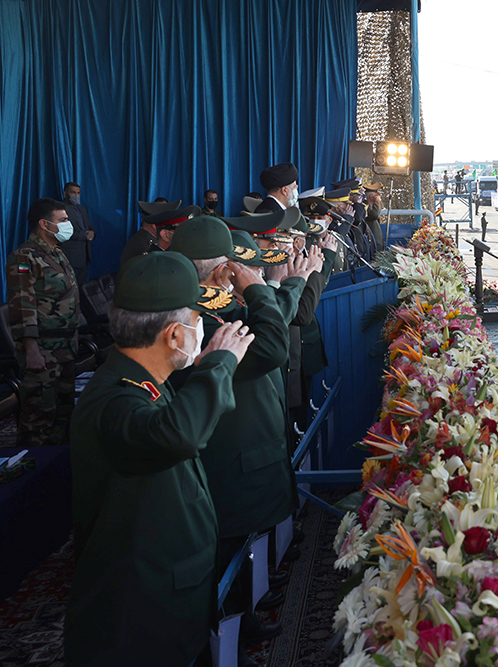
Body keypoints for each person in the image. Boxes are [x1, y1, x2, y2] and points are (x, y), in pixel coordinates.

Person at [64, 251, 253, 666]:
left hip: (172, 588)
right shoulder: (113, 399)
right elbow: (175, 435)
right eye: (197, 320)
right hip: (139, 610)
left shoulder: (147, 380)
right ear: (173, 336)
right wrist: (219, 365)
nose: (203, 329)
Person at [170, 214, 314, 655]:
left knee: (237, 551)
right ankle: (226, 638)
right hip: (223, 459)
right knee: (221, 558)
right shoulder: (200, 319)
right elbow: (270, 346)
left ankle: (242, 613)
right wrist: (259, 288)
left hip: (242, 447)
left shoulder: (213, 308)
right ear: (220, 273)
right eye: (235, 270)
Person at [5, 198, 80, 446]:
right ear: (44, 224)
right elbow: (22, 307)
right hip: (43, 353)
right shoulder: (24, 257)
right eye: (63, 220)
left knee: (63, 416)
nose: (69, 225)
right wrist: (31, 349)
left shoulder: (57, 254)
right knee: (38, 419)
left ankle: (56, 469)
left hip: (65, 348)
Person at [60, 182, 96, 286]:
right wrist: (85, 235)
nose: (76, 195)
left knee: (82, 289)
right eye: (73, 192)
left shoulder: (82, 209)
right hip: (70, 257)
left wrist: (93, 233)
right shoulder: (60, 209)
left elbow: (89, 227)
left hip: (84, 257)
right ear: (65, 193)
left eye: (78, 193)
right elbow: (63, 233)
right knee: (69, 289)